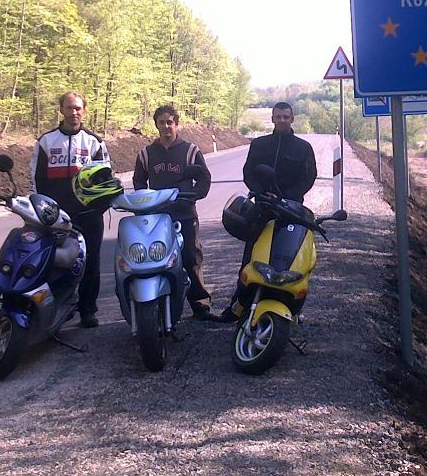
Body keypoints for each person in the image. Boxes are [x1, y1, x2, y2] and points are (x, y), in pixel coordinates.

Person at [220, 101, 317, 322]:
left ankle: (291, 306)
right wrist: (261, 192)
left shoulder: (303, 148)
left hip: (292, 210)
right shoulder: (259, 144)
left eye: (286, 117)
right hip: (263, 208)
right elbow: (248, 172)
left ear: (292, 119)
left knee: (292, 256)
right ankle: (239, 305)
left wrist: (287, 198)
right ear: (272, 119)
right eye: (278, 117)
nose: (282, 120)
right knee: (251, 257)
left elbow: (308, 177)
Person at [132, 104, 220, 322]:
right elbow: (139, 181)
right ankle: (159, 302)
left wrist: (192, 196)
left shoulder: (190, 151)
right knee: (156, 258)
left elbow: (204, 178)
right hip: (156, 216)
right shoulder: (146, 154)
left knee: (191, 258)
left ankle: (201, 304)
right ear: (156, 125)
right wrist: (145, 201)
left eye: (169, 122)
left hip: (185, 214)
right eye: (161, 122)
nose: (166, 126)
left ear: (177, 124)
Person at [31, 91, 109, 328]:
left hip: (88, 215)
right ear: (61, 110)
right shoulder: (46, 141)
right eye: (69, 107)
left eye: (78, 108)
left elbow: (105, 179)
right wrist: (43, 210)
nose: (73, 112)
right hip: (55, 216)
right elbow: (36, 178)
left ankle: (87, 310)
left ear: (84, 111)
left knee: (90, 262)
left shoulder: (94, 142)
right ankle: (54, 309)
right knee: (52, 261)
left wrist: (98, 208)